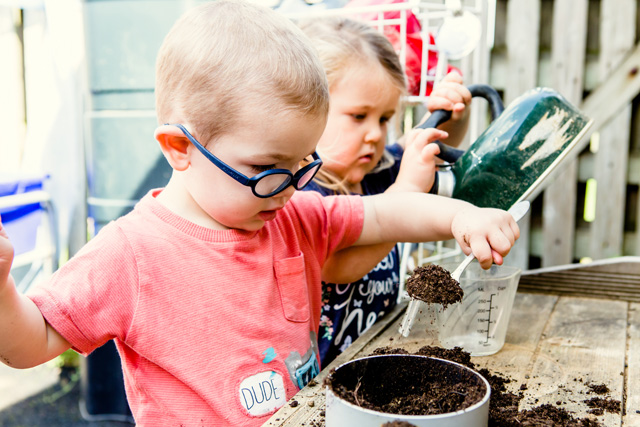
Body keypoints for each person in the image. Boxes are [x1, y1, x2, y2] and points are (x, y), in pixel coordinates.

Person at [0, 1, 519, 425]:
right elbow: (33, 342)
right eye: (269, 166)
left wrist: (459, 216)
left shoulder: (293, 214)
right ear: (180, 148)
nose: (291, 187)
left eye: (303, 163)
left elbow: (385, 215)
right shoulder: (131, 255)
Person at [298, 17, 472, 367]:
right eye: (359, 116)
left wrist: (451, 113)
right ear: (305, 110)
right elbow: (338, 266)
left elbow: (430, 143)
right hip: (322, 375)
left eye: (384, 118)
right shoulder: (302, 190)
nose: (376, 134)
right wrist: (406, 190)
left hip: (375, 351)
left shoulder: (378, 169)